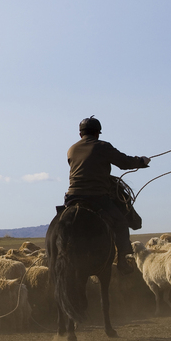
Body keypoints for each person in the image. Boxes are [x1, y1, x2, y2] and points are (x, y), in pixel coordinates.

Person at [64, 116, 149, 274]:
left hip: (72, 197)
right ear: (97, 133)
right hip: (96, 196)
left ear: (80, 134)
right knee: (121, 222)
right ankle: (123, 260)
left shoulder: (72, 149)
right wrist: (141, 162)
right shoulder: (102, 146)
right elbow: (124, 162)